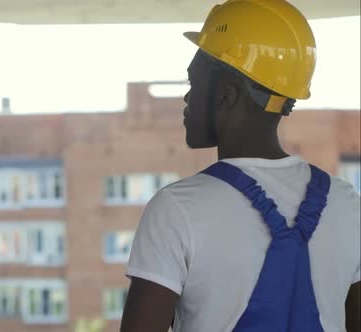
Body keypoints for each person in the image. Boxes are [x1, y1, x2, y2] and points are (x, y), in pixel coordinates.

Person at [120, 0, 360, 331]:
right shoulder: (348, 204)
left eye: (194, 83)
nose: (187, 99)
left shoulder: (177, 209)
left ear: (227, 95)